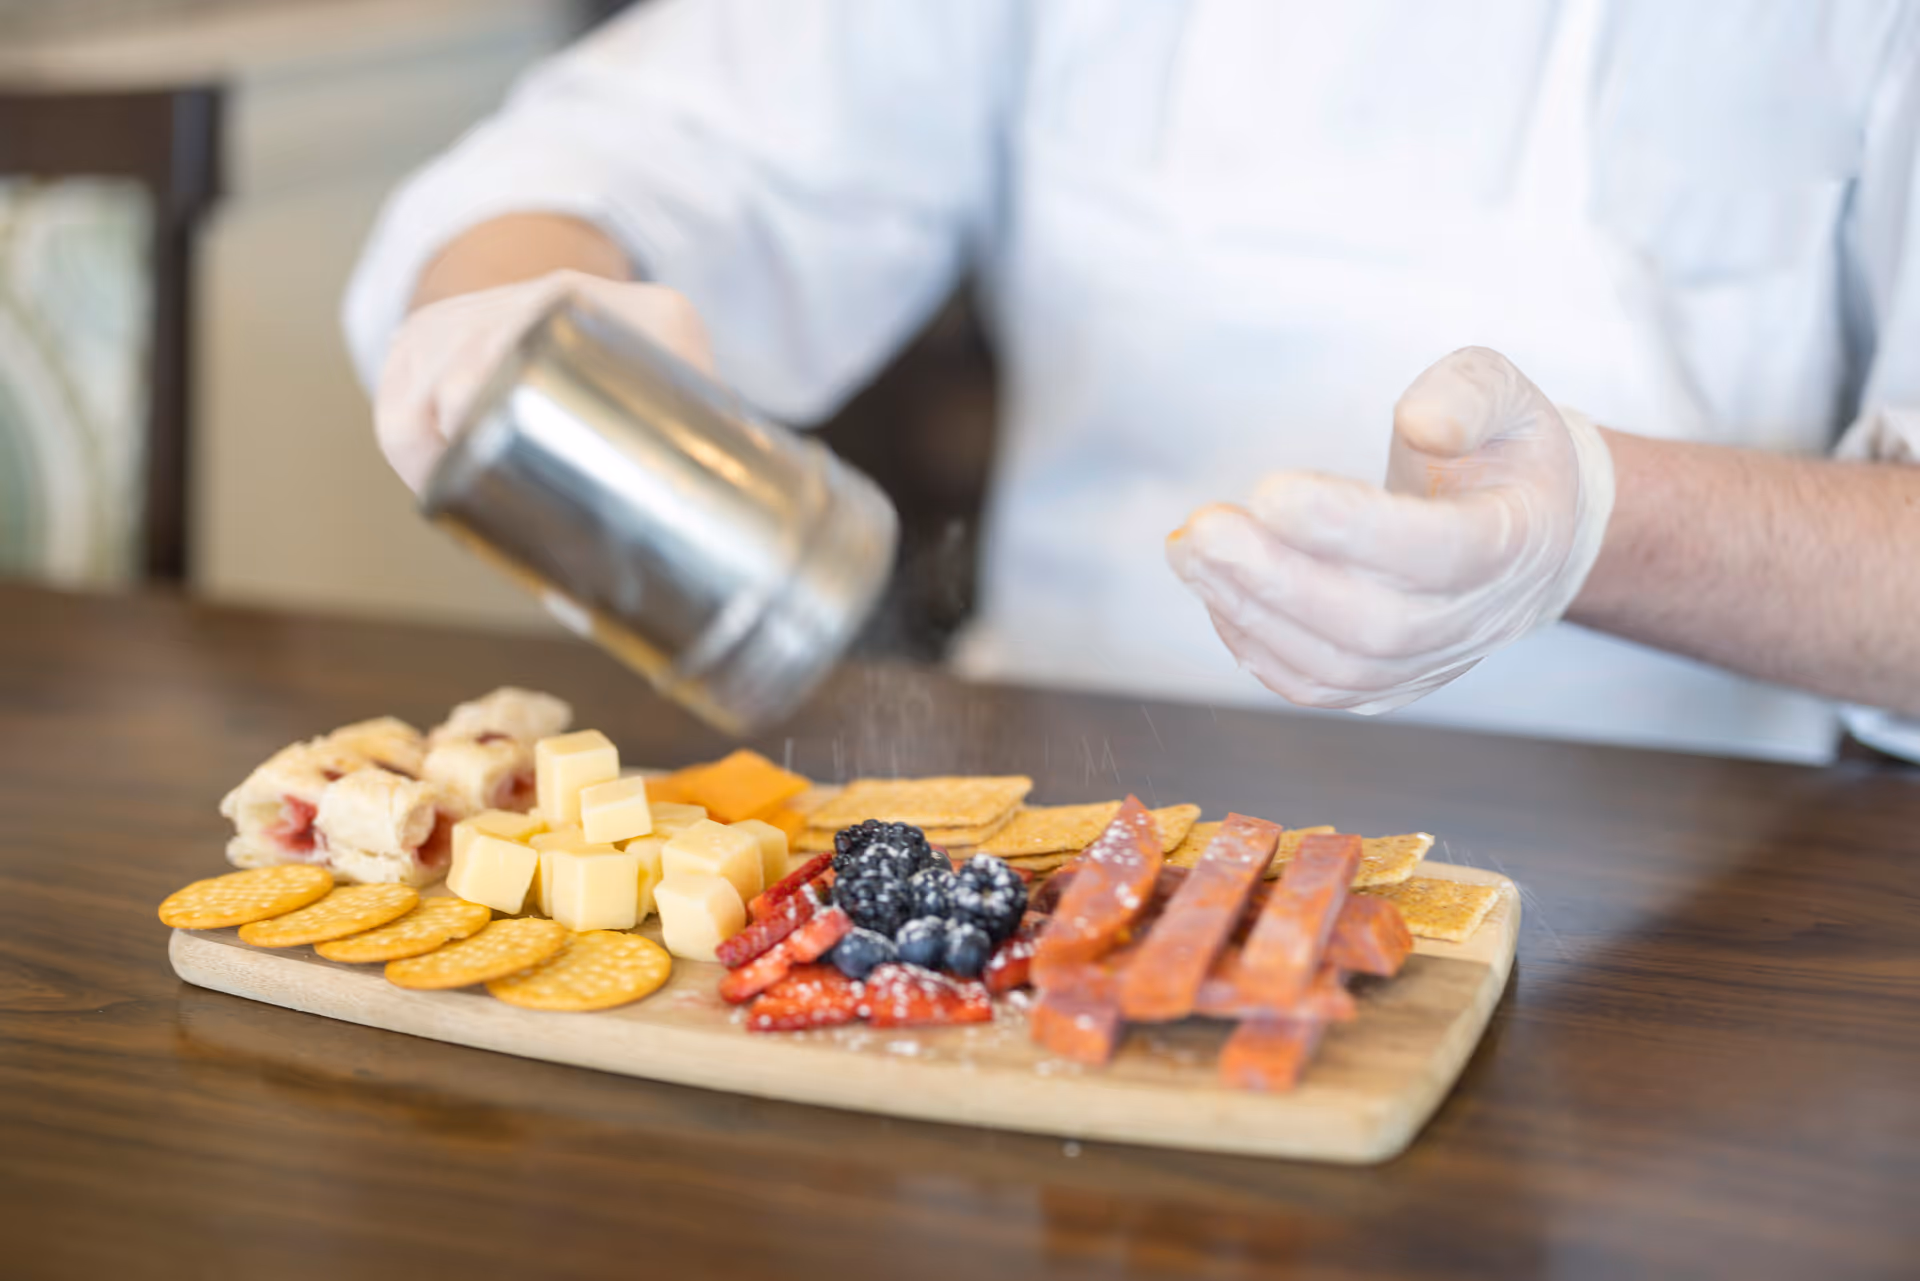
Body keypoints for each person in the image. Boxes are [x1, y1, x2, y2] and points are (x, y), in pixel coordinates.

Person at [345, 0, 1920, 765]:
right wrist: (514, 310)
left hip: (1693, 915)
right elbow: (656, 148)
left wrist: (1589, 535)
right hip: (1052, 812)